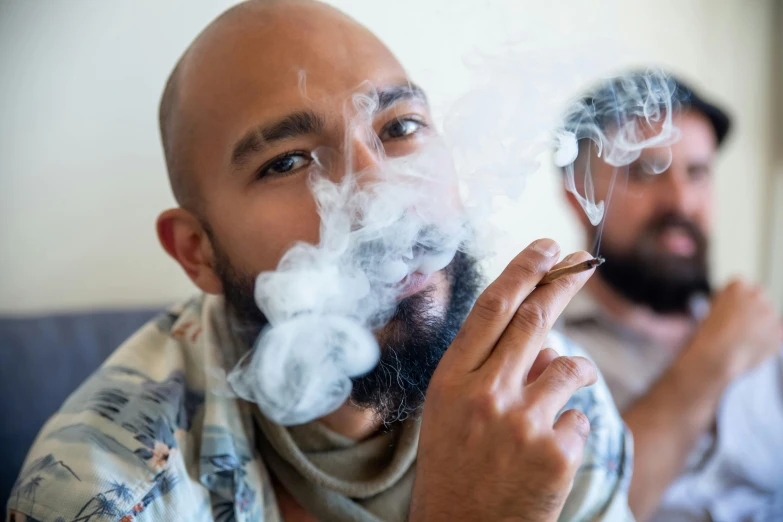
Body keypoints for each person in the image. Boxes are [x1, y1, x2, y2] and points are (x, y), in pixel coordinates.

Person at [6, 2, 634, 521]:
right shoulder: (98, 494)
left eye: (400, 127)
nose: (381, 200)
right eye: (287, 161)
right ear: (196, 252)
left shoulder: (547, 400)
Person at [558, 71, 783, 522]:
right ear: (580, 194)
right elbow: (574, 513)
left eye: (697, 173)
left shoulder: (762, 330)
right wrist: (709, 363)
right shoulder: (544, 354)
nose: (681, 201)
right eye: (645, 171)